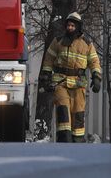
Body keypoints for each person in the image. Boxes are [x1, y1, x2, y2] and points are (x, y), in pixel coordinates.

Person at [39, 12, 102, 143]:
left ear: (78, 27)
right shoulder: (58, 41)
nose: (70, 28)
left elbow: (94, 62)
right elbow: (49, 59)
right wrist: (45, 75)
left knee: (78, 114)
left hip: (78, 84)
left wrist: (96, 77)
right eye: (68, 25)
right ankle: (64, 140)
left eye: (73, 26)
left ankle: (77, 142)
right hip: (60, 82)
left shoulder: (87, 44)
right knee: (63, 111)